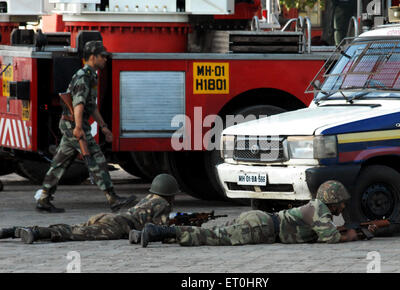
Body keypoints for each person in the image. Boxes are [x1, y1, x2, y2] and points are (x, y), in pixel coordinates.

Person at [35, 40, 136, 213]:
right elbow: (78, 105)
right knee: (97, 159)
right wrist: (79, 128)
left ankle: (44, 197)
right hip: (74, 124)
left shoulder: (91, 76)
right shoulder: (84, 77)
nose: (105, 59)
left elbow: (92, 106)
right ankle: (112, 199)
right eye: (102, 56)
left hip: (71, 124)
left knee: (60, 162)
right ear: (92, 57)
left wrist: (103, 127)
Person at [138, 180, 377, 247]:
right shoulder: (319, 210)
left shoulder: (316, 208)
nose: (343, 207)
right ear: (332, 201)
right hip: (260, 228)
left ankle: (150, 234)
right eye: (341, 203)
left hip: (261, 223)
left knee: (209, 231)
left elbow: (322, 230)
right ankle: (158, 231)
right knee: (208, 237)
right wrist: (353, 235)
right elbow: (330, 238)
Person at [0, 174, 179, 244]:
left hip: (109, 217)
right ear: (170, 194)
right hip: (118, 226)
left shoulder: (149, 198)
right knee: (74, 234)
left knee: (73, 228)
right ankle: (36, 233)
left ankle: (14, 231)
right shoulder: (163, 204)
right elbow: (160, 231)